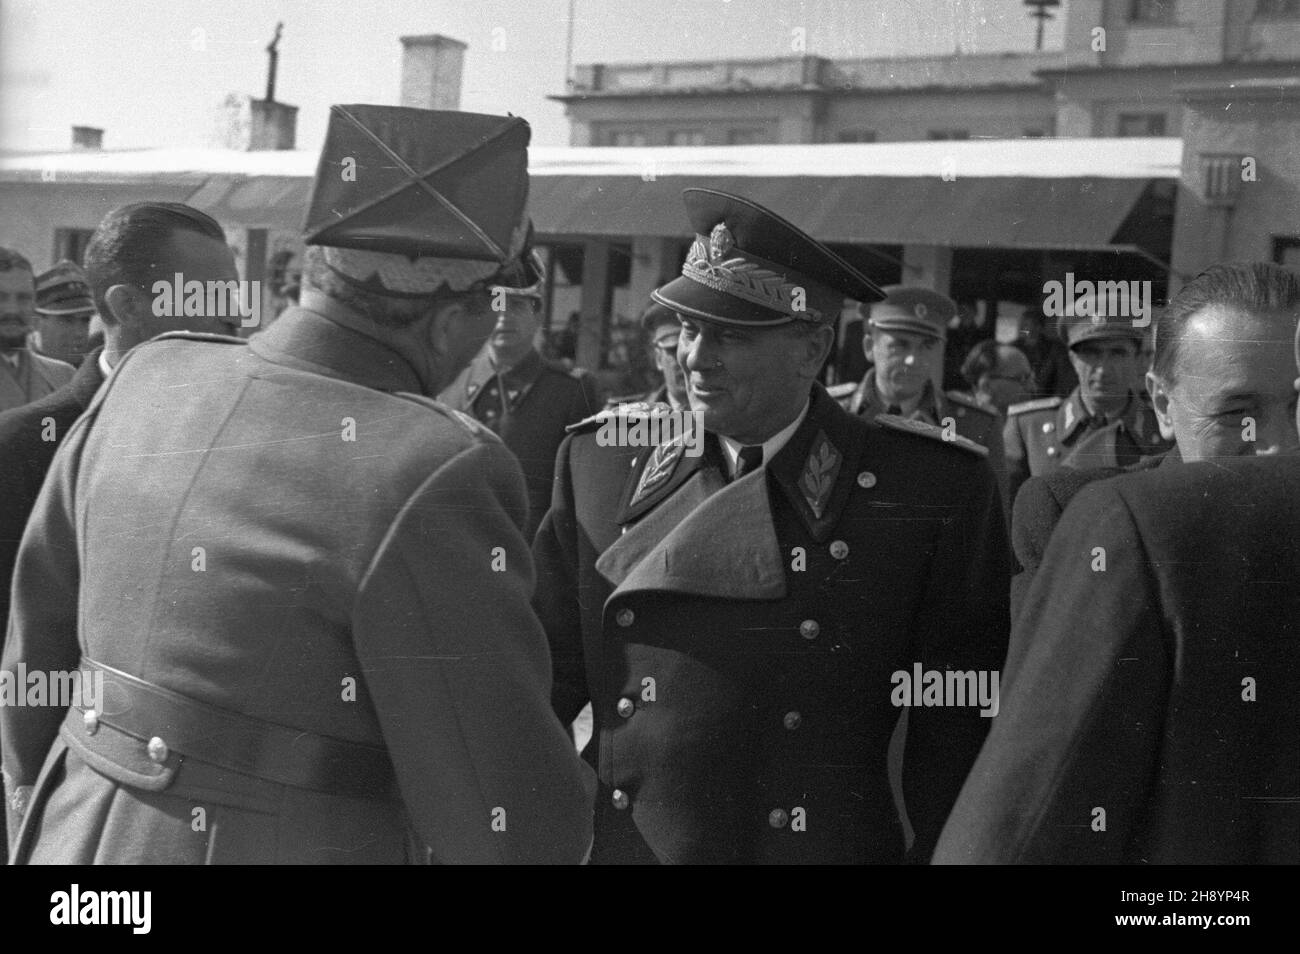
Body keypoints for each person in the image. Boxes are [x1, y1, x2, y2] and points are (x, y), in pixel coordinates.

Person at [1, 106, 592, 865]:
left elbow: (33, 669)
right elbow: (512, 825)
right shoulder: (436, 467)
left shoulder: (147, 377)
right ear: (449, 323)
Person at [532, 188, 1009, 864]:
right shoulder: (599, 467)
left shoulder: (928, 490)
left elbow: (955, 728)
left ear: (811, 348)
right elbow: (542, 685)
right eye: (689, 328)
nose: (695, 357)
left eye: (729, 334)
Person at [934, 443, 1300, 862]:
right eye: (1236, 411)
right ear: (1163, 405)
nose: (1274, 442)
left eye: (1294, 406)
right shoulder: (1116, 518)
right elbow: (1037, 787)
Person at [1009, 262, 1300, 618]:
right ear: (1163, 405)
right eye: (1236, 412)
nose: (1281, 446)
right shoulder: (1075, 518)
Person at [439, 251, 601, 541]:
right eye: (495, 304)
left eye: (515, 306)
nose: (503, 317)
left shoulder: (570, 392)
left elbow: (586, 494)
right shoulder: (448, 381)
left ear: (537, 313)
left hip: (531, 559)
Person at [828, 286, 1008, 514]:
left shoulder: (977, 426)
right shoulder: (829, 412)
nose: (913, 359)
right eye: (900, 345)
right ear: (869, 347)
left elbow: (992, 529)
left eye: (927, 346)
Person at [1003, 315, 1170, 505]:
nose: (1103, 369)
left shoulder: (1163, 431)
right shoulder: (1029, 427)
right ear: (1072, 359)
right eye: (1091, 353)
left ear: (1139, 359)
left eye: (1117, 353)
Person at [0, 249, 74, 413]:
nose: (12, 310)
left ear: (34, 303)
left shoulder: (63, 377)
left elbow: (52, 435)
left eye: (23, 298)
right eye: (1, 297)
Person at [606, 301, 689, 411]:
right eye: (674, 350)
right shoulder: (626, 417)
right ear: (658, 358)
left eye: (690, 352)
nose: (686, 361)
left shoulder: (717, 419)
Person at [29, 261, 94, 368]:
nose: (79, 333)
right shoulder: (13, 374)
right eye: (67, 320)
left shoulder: (98, 377)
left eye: (85, 320)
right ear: (34, 322)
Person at [1010, 304, 1075, 400]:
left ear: (1039, 327)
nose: (1022, 329)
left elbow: (1063, 383)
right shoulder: (1013, 349)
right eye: (1022, 325)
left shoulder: (1055, 350)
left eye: (1027, 325)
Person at [958, 339, 1034, 416]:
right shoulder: (956, 424)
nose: (1033, 387)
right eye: (1022, 379)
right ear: (986, 386)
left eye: (1031, 378)